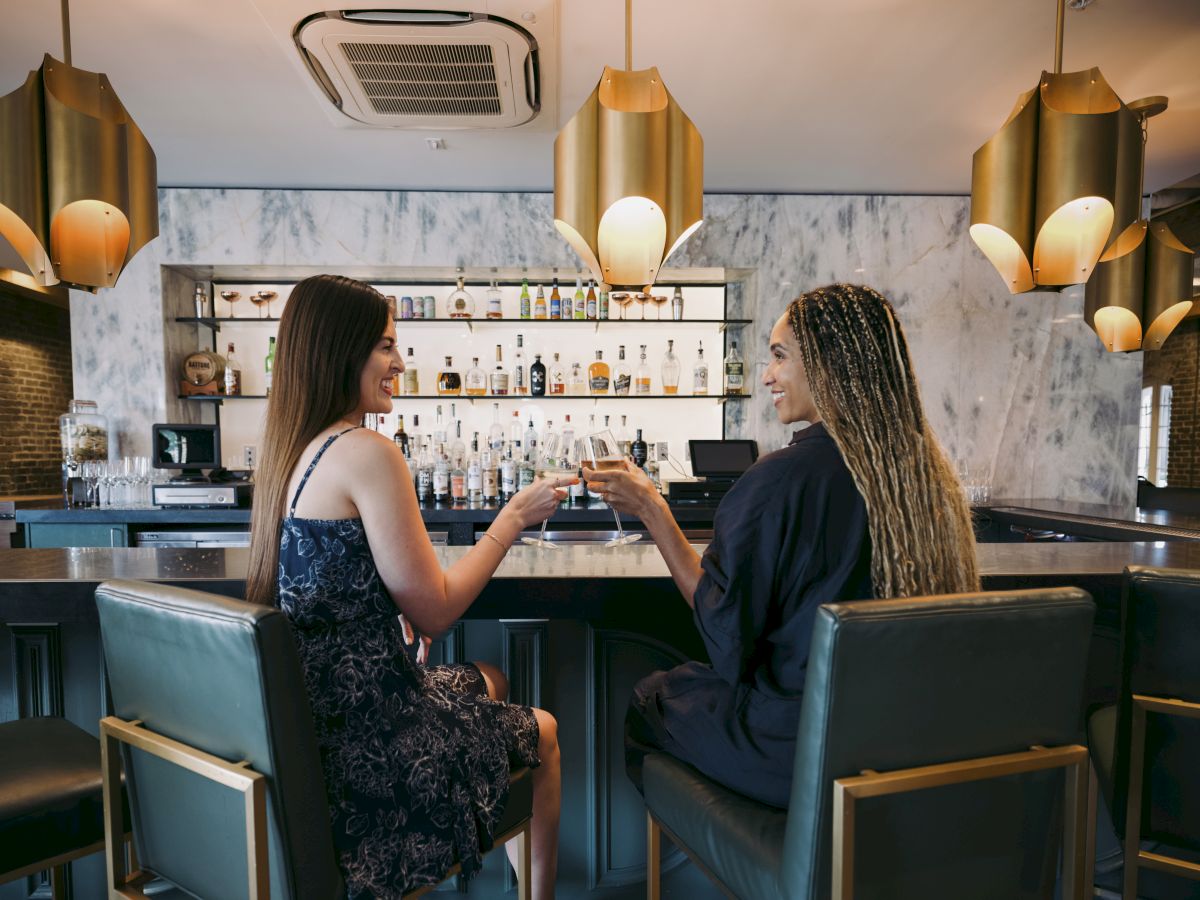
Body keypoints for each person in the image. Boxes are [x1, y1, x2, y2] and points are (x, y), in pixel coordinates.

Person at [585, 283, 980, 809]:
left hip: (801, 753)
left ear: (827, 364)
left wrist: (654, 511)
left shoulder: (778, 481)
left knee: (652, 697)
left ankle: (757, 858)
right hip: (904, 744)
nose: (766, 375)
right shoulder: (922, 478)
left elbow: (727, 640)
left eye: (779, 357)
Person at [246, 274, 572, 899]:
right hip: (370, 740)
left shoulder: (295, 451)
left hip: (319, 718)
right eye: (386, 347)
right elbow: (438, 610)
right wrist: (512, 520)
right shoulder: (367, 450)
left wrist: (389, 618)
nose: (400, 363)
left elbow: (346, 589)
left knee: (491, 679)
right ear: (340, 353)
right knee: (546, 731)